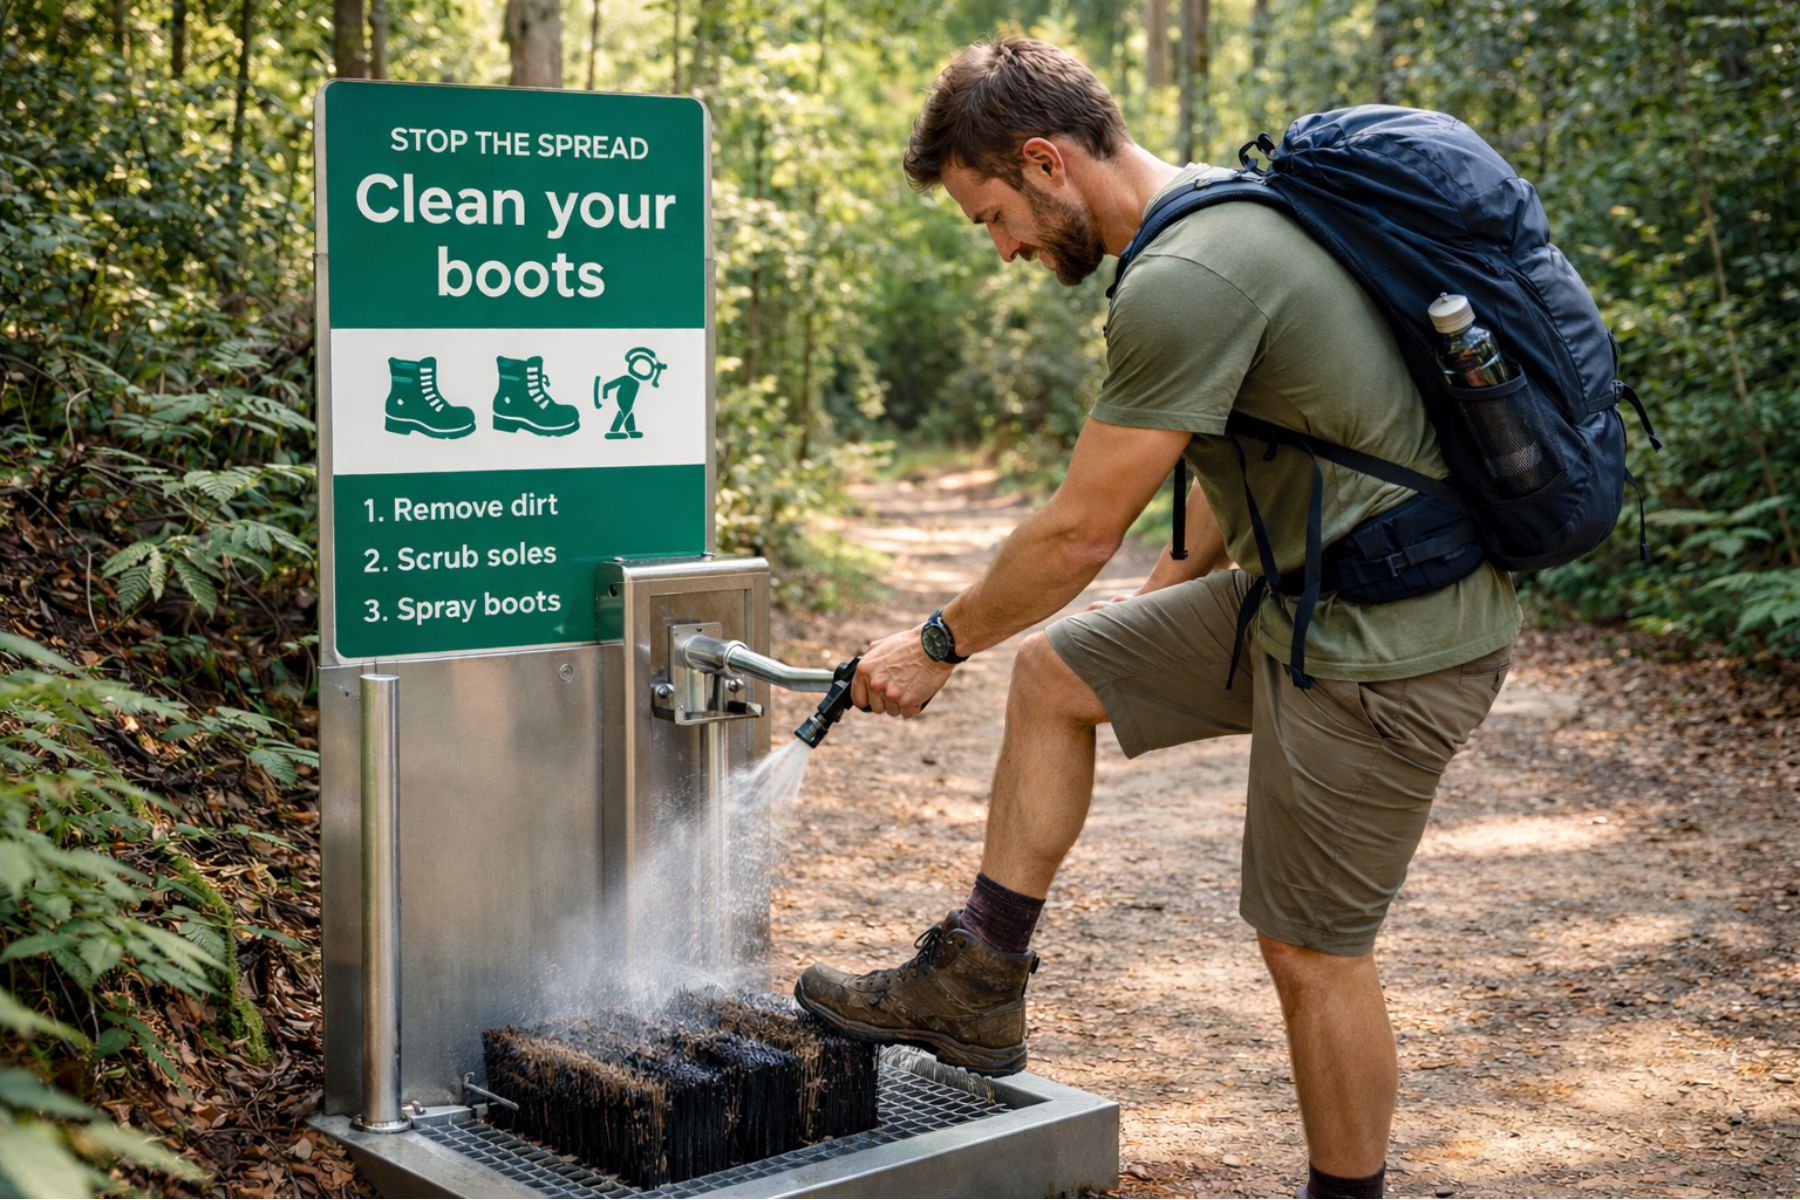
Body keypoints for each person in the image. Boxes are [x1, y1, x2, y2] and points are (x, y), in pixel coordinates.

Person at [792, 36, 1520, 1200]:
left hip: (1390, 641)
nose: (1005, 248)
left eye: (993, 217)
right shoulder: (1215, 219)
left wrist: (935, 641)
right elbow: (1255, 464)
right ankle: (979, 981)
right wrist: (1142, 627)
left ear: (1044, 161)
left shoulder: (1191, 275)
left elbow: (1079, 529)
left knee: (1312, 952)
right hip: (1310, 595)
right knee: (1061, 671)